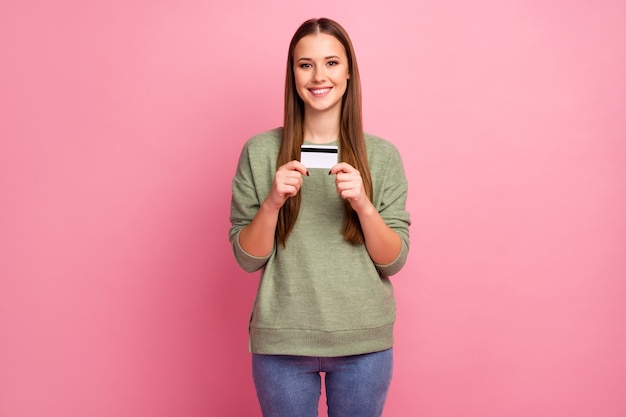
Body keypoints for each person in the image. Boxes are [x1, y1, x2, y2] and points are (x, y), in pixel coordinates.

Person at [229, 17, 410, 417]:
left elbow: (393, 260)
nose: (318, 76)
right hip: (282, 342)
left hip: (363, 342)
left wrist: (363, 205)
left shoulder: (381, 156)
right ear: (293, 74)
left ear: (349, 73)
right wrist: (273, 202)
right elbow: (247, 258)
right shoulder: (260, 152)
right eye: (305, 64)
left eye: (331, 62)